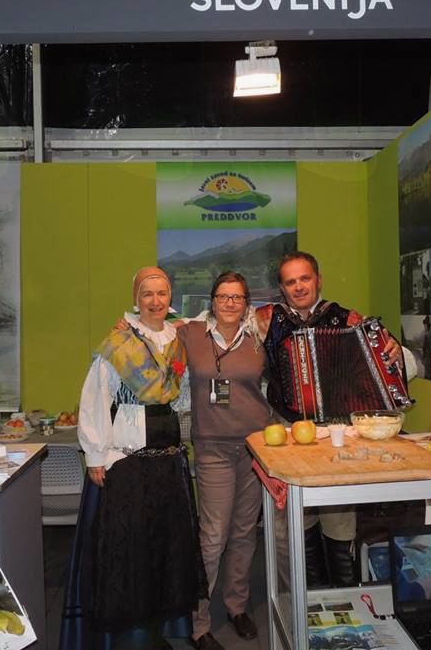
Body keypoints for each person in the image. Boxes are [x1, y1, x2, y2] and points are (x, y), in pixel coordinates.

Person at [59, 267, 205, 650]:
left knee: (166, 549)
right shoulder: (118, 344)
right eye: (147, 294)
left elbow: (180, 397)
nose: (155, 301)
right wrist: (95, 455)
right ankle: (134, 636)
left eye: (162, 293)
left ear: (170, 297)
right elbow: (95, 398)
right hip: (129, 462)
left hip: (168, 462)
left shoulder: (176, 340)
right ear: (136, 300)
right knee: (133, 552)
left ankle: (161, 631)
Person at [256, 251, 415, 588]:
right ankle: (312, 597)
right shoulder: (266, 320)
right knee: (298, 517)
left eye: (305, 278)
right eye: (290, 282)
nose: (299, 287)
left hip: (336, 430)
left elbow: (390, 357)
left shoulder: (346, 319)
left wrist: (396, 351)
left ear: (319, 280)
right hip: (287, 428)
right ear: (282, 288)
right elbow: (221, 320)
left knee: (339, 516)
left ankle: (345, 595)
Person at [177, 272, 270, 650]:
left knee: (245, 532)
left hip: (254, 446)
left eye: (237, 297)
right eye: (223, 296)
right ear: (212, 301)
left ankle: (237, 606)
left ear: (246, 303)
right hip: (212, 447)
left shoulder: (260, 336)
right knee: (213, 535)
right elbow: (150, 328)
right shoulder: (190, 333)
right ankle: (198, 622)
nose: (230, 303)